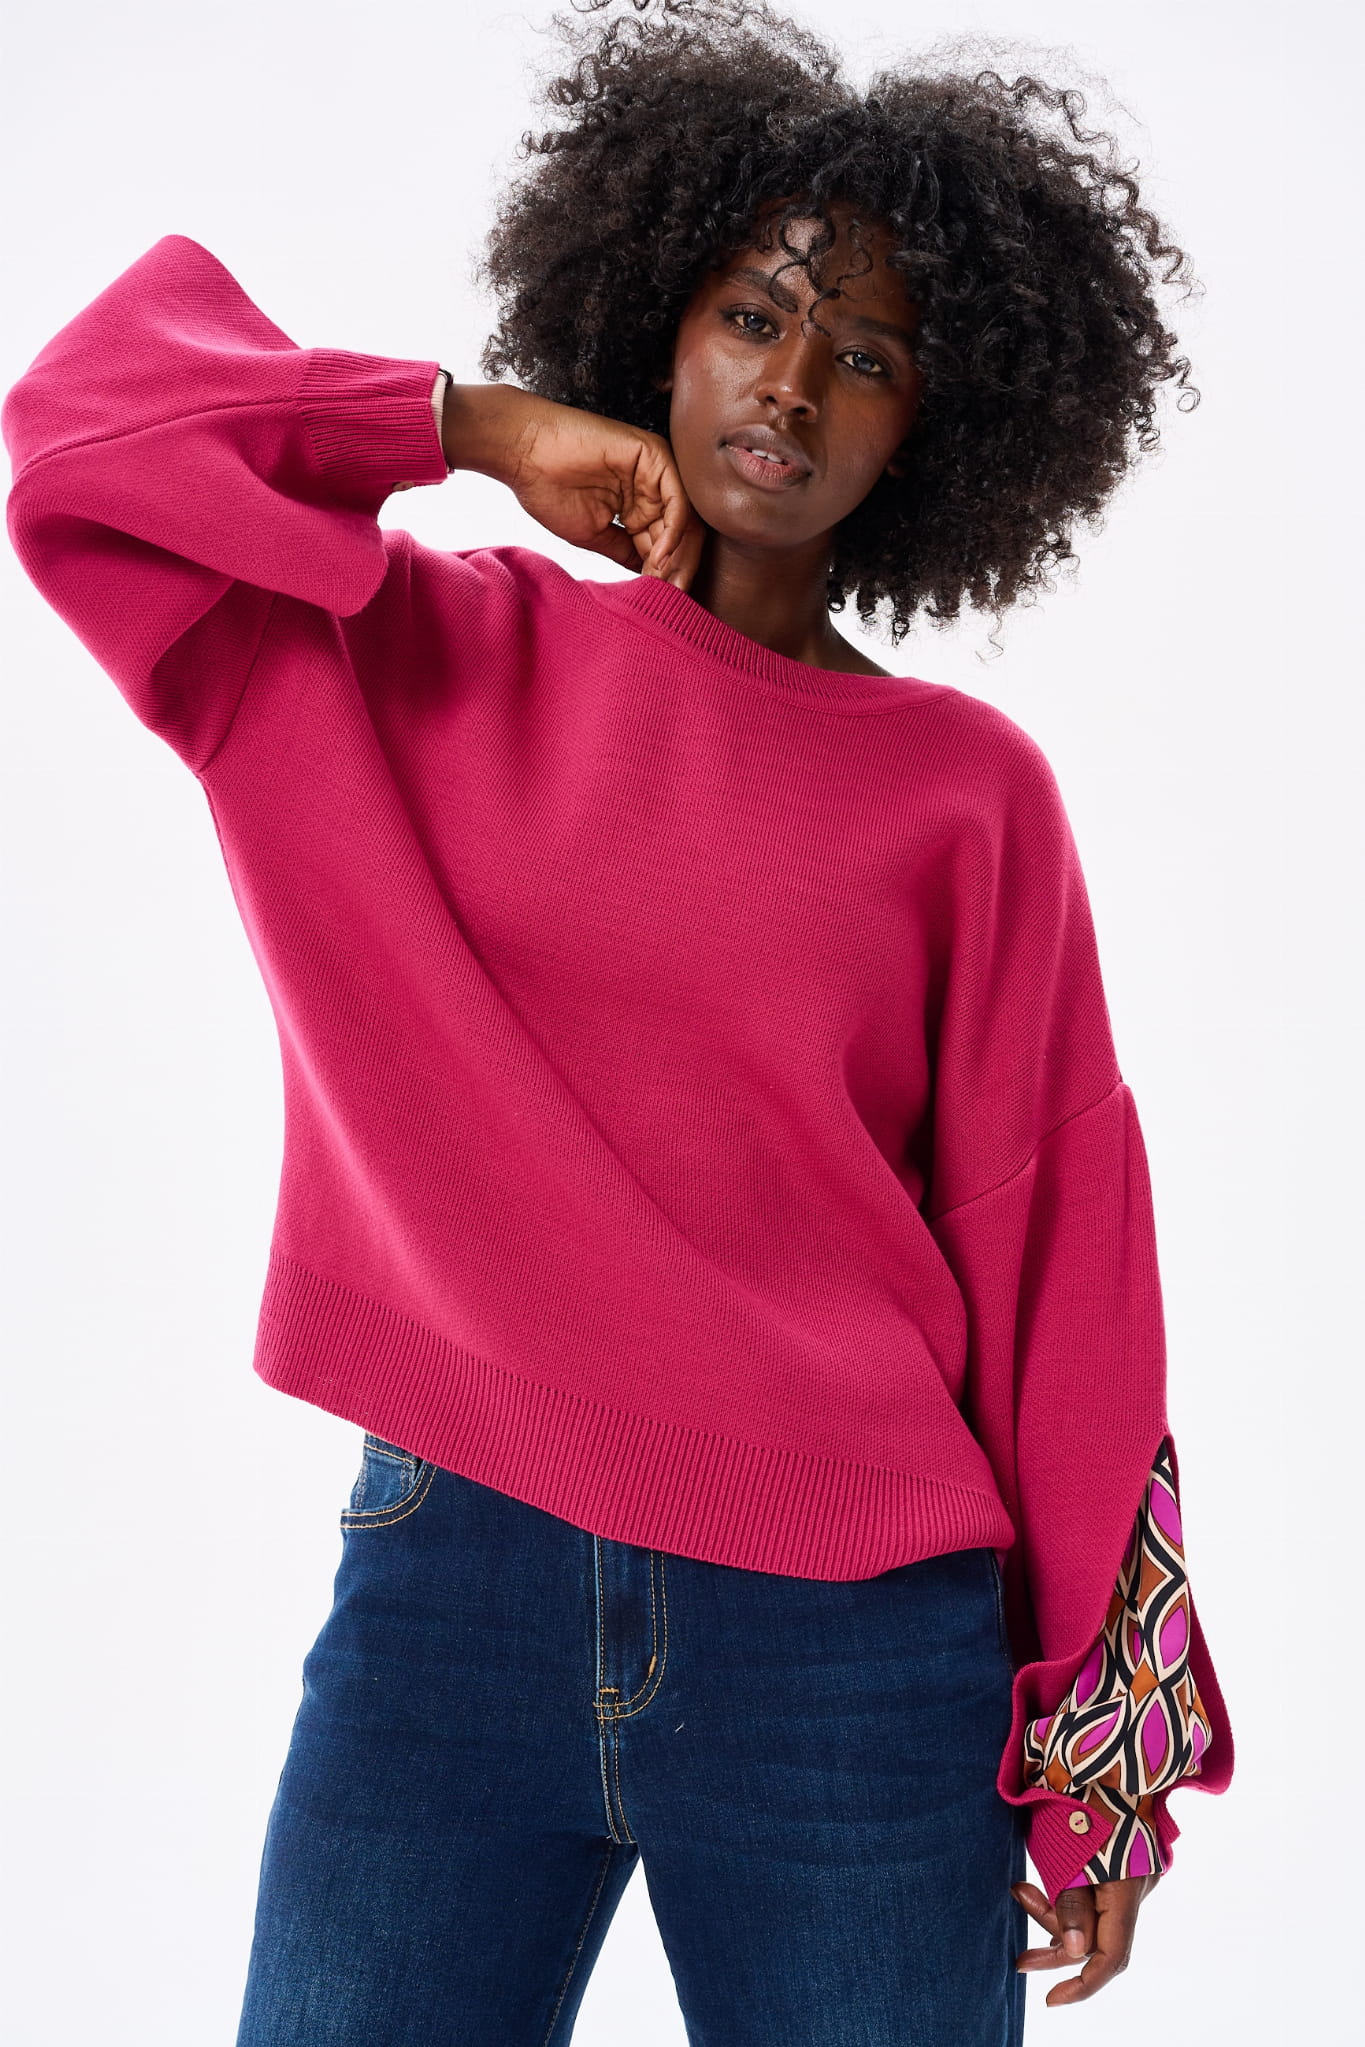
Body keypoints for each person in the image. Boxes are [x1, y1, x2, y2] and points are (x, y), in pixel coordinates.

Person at [2, 1, 1234, 2039]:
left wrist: (1097, 1750)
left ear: (933, 428)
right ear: (656, 328)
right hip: (450, 1591)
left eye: (867, 357)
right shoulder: (400, 657)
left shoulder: (964, 792)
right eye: (752, 315)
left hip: (849, 1640)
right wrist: (471, 429)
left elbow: (1059, 1269)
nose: (792, 383)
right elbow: (82, 430)